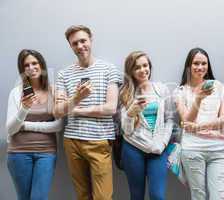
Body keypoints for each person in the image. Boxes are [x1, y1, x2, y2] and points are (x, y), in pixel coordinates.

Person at [54, 25, 121, 200]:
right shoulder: (63, 74)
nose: (80, 46)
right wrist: (76, 98)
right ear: (70, 46)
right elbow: (58, 112)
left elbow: (110, 108)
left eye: (83, 41)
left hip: (99, 141)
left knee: (103, 197)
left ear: (91, 39)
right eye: (75, 43)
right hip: (72, 142)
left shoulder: (109, 69)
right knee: (82, 195)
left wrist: (75, 110)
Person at [5, 49, 62, 200]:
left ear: (41, 65)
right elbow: (10, 129)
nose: (31, 68)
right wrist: (24, 108)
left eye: (35, 63)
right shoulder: (16, 93)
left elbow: (58, 125)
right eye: (26, 65)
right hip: (18, 154)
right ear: (22, 70)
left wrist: (25, 125)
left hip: (46, 153)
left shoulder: (53, 90)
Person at [174, 47, 224, 200]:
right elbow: (186, 121)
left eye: (204, 63)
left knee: (220, 196)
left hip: (217, 149)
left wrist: (198, 127)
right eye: (196, 63)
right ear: (189, 66)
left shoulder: (218, 86)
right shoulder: (180, 91)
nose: (200, 67)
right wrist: (198, 99)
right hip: (192, 149)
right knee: (198, 196)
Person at [120, 51, 174, 200]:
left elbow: (169, 119)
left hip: (157, 149)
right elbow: (126, 130)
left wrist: (163, 143)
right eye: (137, 67)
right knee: (136, 196)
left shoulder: (161, 89)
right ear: (131, 71)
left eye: (145, 65)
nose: (143, 70)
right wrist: (131, 113)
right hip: (133, 148)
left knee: (157, 195)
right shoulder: (126, 93)